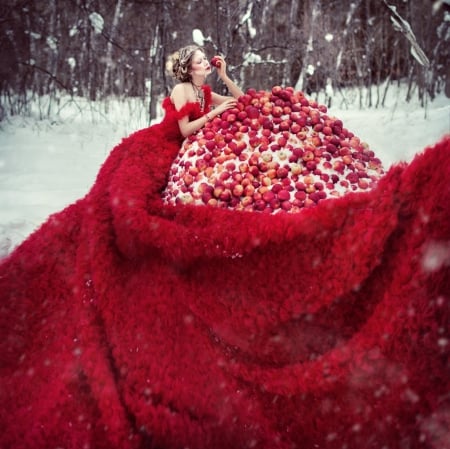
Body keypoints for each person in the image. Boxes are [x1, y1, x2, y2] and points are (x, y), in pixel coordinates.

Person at [0, 43, 449, 449]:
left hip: (205, 136)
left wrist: (229, 78)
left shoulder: (209, 87)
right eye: (198, 62)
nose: (203, 66)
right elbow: (187, 128)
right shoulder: (181, 93)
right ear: (185, 67)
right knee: (128, 206)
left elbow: (237, 100)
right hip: (170, 143)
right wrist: (215, 114)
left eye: (204, 62)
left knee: (264, 137)